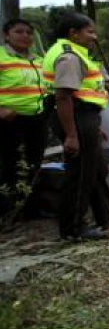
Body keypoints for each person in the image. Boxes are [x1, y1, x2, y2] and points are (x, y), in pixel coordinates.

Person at [42, 12, 109, 240]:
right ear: (73, 33)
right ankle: (73, 228)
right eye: (90, 32)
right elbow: (63, 97)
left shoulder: (76, 53)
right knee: (81, 174)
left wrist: (92, 127)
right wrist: (72, 135)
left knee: (97, 170)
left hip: (84, 117)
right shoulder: (69, 56)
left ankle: (105, 217)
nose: (94, 37)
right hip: (76, 116)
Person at [0, 19, 48, 220]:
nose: (25, 36)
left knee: (34, 162)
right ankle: (8, 210)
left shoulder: (38, 60)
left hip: (37, 119)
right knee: (11, 164)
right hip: (10, 121)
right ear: (6, 35)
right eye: (19, 32)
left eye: (29, 32)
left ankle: (30, 208)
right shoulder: (2, 57)